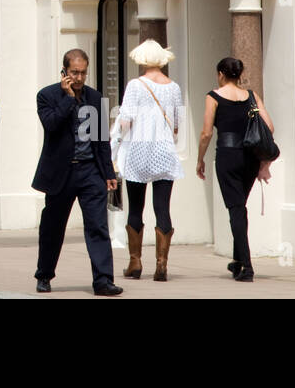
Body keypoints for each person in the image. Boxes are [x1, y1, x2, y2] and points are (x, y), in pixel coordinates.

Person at [32, 48, 121, 296]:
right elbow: (51, 125)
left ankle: (103, 280)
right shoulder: (47, 96)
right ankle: (44, 275)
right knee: (53, 227)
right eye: (74, 73)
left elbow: (102, 139)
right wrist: (68, 98)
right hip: (61, 173)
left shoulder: (95, 98)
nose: (80, 78)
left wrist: (108, 172)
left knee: (98, 226)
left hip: (90, 171)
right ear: (64, 72)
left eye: (83, 73)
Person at [112, 39, 184, 282]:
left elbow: (126, 119)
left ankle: (135, 262)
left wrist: (117, 141)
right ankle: (162, 264)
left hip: (139, 151)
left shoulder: (135, 84)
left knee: (136, 207)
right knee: (162, 208)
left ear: (141, 59)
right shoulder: (174, 87)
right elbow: (176, 123)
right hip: (164, 151)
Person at [198, 56, 274, 283]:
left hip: (228, 156)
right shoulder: (252, 96)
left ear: (221, 74)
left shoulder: (213, 97)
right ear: (239, 75)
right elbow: (269, 126)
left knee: (236, 209)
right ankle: (238, 260)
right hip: (249, 157)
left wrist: (200, 159)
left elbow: (206, 133)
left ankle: (247, 266)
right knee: (239, 207)